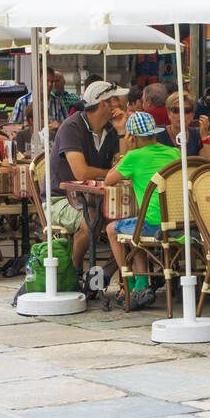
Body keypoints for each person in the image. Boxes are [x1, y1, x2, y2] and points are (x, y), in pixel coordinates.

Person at [48, 80, 129, 274]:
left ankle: (106, 274)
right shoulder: (72, 127)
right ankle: (74, 272)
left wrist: (121, 132)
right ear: (103, 104)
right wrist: (111, 173)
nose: (122, 104)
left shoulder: (111, 129)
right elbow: (81, 172)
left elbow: (124, 165)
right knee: (91, 218)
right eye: (117, 100)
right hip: (60, 198)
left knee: (130, 219)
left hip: (100, 197)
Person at [103, 112, 178, 310]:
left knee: (112, 229)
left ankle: (128, 282)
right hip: (178, 222)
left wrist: (127, 151)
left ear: (133, 138)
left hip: (152, 224)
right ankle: (142, 283)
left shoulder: (134, 157)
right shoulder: (174, 153)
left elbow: (109, 179)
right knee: (134, 226)